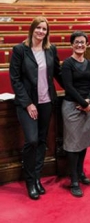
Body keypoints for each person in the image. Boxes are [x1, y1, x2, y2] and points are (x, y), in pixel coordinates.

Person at [9, 16, 63, 200]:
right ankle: (30, 180)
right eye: (38, 28)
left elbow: (57, 73)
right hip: (28, 104)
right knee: (31, 140)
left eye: (44, 29)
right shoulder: (20, 50)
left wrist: (76, 92)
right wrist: (27, 103)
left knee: (41, 140)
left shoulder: (50, 49)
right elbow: (15, 79)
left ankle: (37, 178)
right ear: (32, 29)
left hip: (47, 101)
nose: (41, 31)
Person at [61, 31, 90, 197]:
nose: (80, 45)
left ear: (87, 44)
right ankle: (74, 179)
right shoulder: (67, 63)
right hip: (72, 107)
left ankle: (81, 173)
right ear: (71, 45)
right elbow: (68, 86)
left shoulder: (89, 64)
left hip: (87, 107)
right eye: (77, 42)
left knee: (83, 142)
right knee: (73, 144)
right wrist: (83, 104)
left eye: (83, 42)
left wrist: (88, 101)